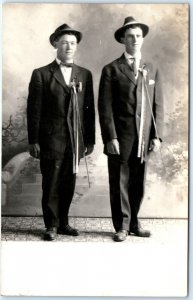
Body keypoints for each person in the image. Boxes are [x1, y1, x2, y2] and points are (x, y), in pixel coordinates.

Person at [27, 24, 95, 241]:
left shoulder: (85, 74)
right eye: (64, 42)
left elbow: (89, 110)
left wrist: (89, 140)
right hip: (50, 139)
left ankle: (64, 222)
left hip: (75, 140)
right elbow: (34, 110)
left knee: (69, 181)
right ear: (55, 43)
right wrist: (34, 140)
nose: (69, 46)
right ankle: (51, 225)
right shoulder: (41, 74)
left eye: (73, 43)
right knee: (51, 182)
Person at [98, 16, 164, 242]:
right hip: (120, 137)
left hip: (144, 137)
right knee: (120, 181)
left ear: (142, 39)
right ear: (123, 40)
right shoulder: (111, 70)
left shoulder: (151, 68)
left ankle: (135, 222)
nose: (134, 40)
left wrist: (157, 136)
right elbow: (104, 107)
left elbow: (158, 104)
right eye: (130, 36)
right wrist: (110, 137)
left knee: (138, 180)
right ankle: (122, 226)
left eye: (138, 36)